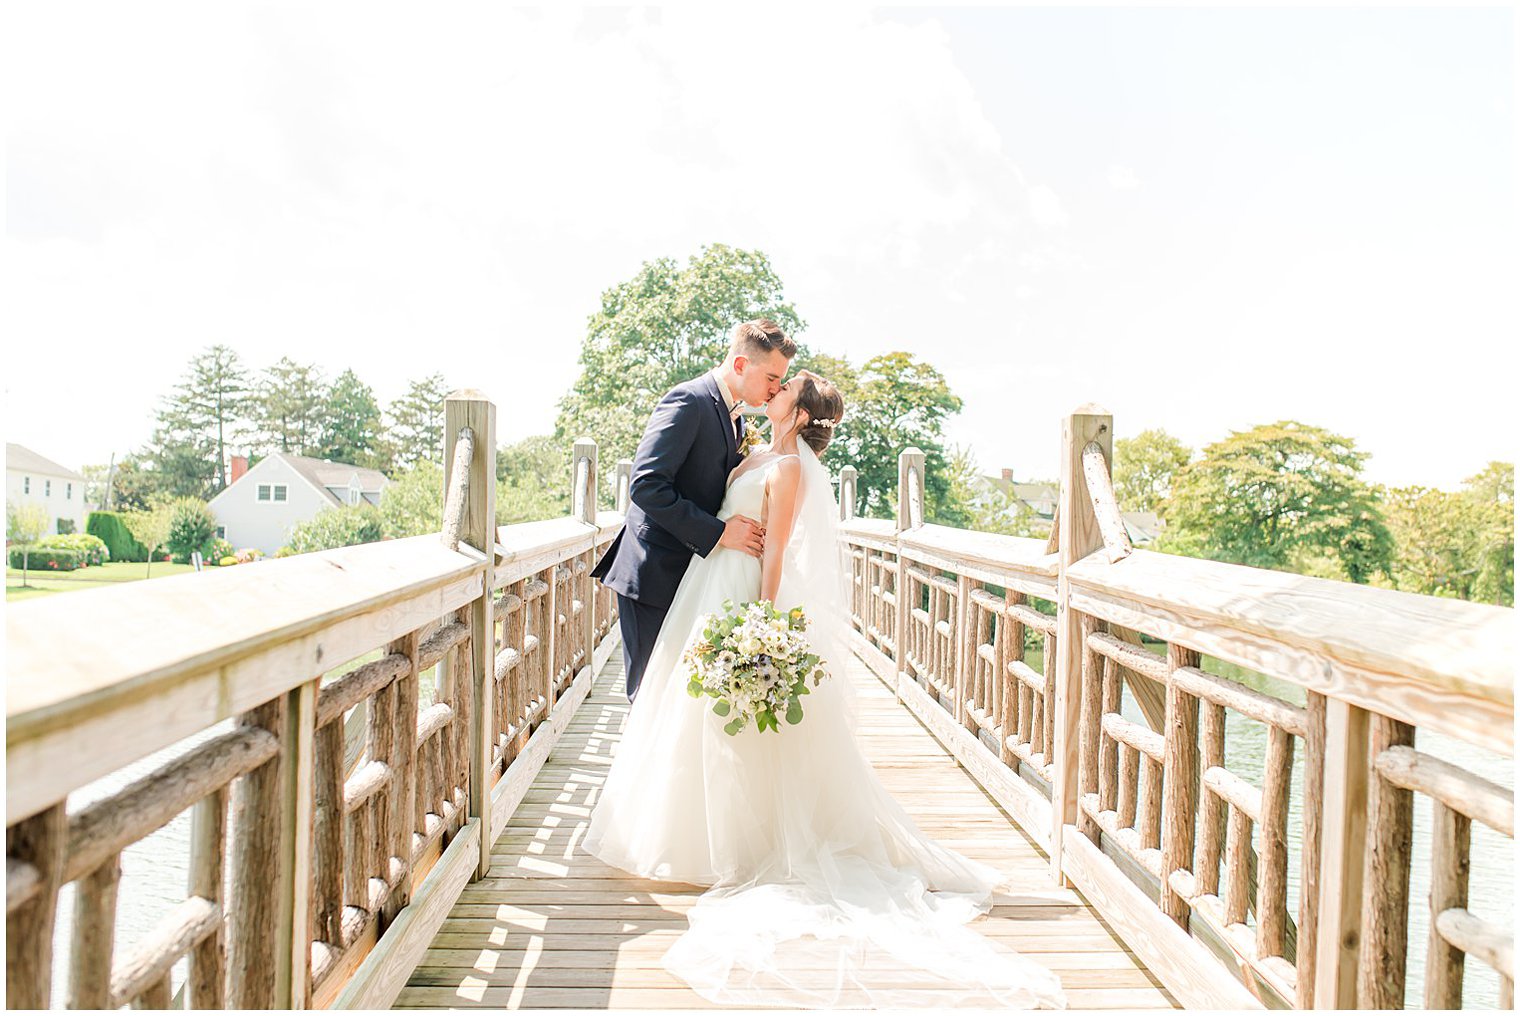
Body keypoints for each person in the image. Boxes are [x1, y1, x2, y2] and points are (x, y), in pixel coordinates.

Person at [582, 370, 1068, 1009]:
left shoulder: (789, 471)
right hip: (705, 586)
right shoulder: (756, 452)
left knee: (727, 720)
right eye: (775, 383)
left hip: (740, 591)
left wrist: (760, 620)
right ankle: (695, 835)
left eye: (784, 390)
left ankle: (741, 844)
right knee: (688, 714)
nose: (772, 393)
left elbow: (777, 551)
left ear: (801, 413)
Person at [590, 319, 796, 701]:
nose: (774, 389)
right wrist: (719, 533)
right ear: (739, 365)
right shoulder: (689, 400)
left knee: (676, 699)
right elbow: (646, 484)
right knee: (650, 696)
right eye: (771, 377)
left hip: (692, 576)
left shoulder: (733, 417)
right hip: (654, 572)